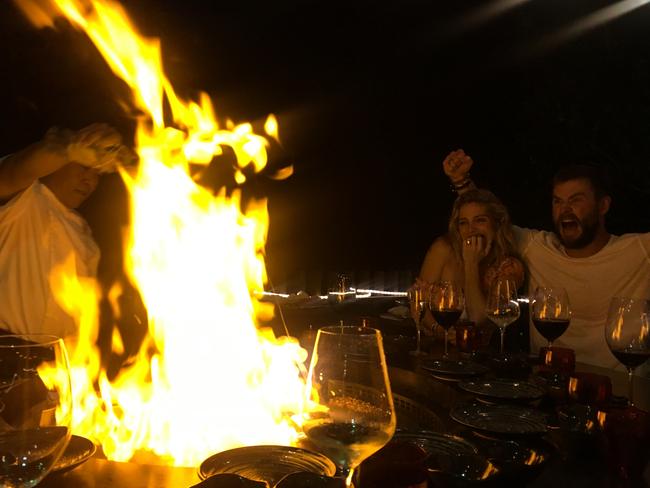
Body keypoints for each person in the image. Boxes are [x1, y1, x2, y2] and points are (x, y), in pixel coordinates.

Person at [442, 149, 650, 372]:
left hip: (620, 393)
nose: (565, 209)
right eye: (558, 201)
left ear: (603, 206)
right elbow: (487, 220)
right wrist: (461, 181)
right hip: (548, 387)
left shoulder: (639, 250)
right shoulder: (538, 247)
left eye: (575, 200)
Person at [0, 123, 133, 339]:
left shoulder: (84, 233)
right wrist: (68, 148)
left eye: (97, 173)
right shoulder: (22, 199)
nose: (89, 179)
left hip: (57, 362)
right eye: (83, 166)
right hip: (6, 352)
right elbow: (14, 172)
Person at [418, 186, 525, 326]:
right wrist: (440, 332)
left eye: (480, 220)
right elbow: (419, 308)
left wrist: (471, 263)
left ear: (497, 224)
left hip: (482, 347)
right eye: (463, 223)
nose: (470, 229)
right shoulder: (443, 249)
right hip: (438, 345)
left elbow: (478, 319)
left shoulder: (508, 267)